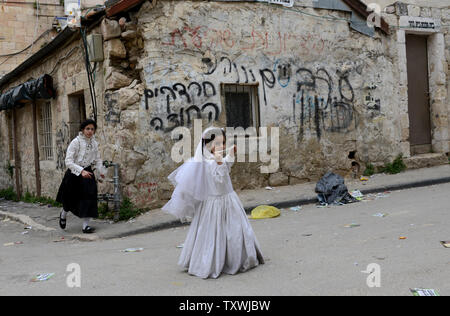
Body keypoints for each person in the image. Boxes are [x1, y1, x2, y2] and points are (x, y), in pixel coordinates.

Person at [162, 126, 264, 279]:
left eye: (223, 143)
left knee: (236, 230)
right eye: (217, 144)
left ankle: (237, 256)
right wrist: (219, 162)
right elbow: (220, 178)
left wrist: (229, 155)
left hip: (227, 199)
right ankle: (215, 261)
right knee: (213, 233)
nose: (221, 147)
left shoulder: (214, 159)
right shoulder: (207, 162)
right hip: (215, 203)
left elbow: (226, 168)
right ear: (207, 145)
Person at [56, 119, 106, 234]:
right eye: (87, 129)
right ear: (83, 130)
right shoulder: (76, 142)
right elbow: (68, 161)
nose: (90, 131)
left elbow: (98, 159)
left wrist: (101, 171)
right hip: (74, 173)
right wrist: (80, 170)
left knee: (89, 199)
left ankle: (86, 226)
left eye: (92, 129)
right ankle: (63, 214)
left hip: (87, 174)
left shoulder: (94, 143)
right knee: (70, 199)